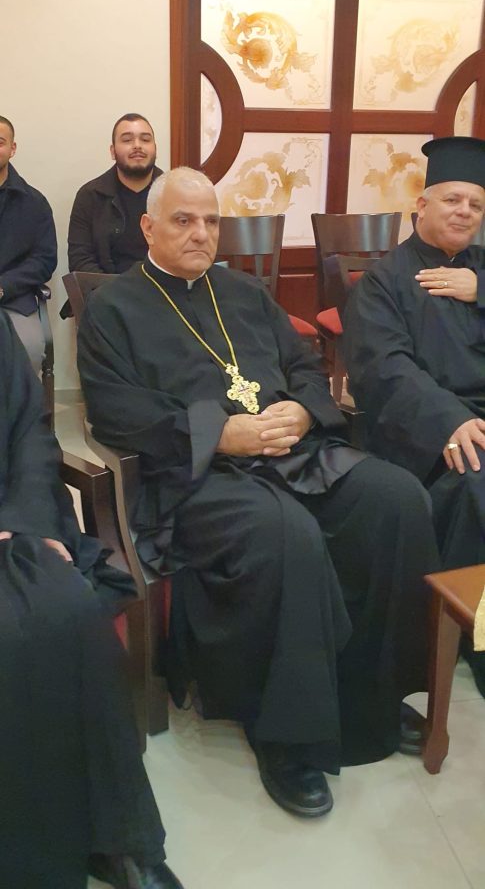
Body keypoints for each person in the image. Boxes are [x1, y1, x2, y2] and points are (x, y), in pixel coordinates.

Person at [77, 166, 440, 818]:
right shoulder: (112, 307)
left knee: (397, 499)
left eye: (211, 221)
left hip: (291, 452)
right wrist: (218, 435)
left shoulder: (245, 292)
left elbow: (305, 368)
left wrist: (301, 411)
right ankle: (287, 736)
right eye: (183, 220)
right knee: (285, 535)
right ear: (149, 227)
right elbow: (114, 410)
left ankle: (371, 692)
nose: (200, 233)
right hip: (197, 474)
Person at [0, 311, 185, 889]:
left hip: (12, 526)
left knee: (70, 611)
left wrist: (28, 520)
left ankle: (116, 837)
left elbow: (30, 429)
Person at [343, 135, 485, 692]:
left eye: (476, 204)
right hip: (423, 431)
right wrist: (448, 419)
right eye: (452, 200)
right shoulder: (384, 281)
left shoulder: (481, 272)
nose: (465, 212)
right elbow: (384, 370)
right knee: (475, 482)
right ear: (421, 206)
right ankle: (470, 632)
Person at [67, 112, 163, 274]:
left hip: (161, 287)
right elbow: (80, 260)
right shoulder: (90, 195)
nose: (137, 145)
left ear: (155, 149)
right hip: (104, 287)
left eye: (145, 140)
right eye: (127, 140)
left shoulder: (175, 194)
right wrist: (114, 288)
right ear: (113, 151)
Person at [0, 115, 57, 373]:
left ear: (12, 148)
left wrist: (5, 286)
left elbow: (45, 260)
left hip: (14, 300)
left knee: (28, 349)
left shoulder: (34, 203)